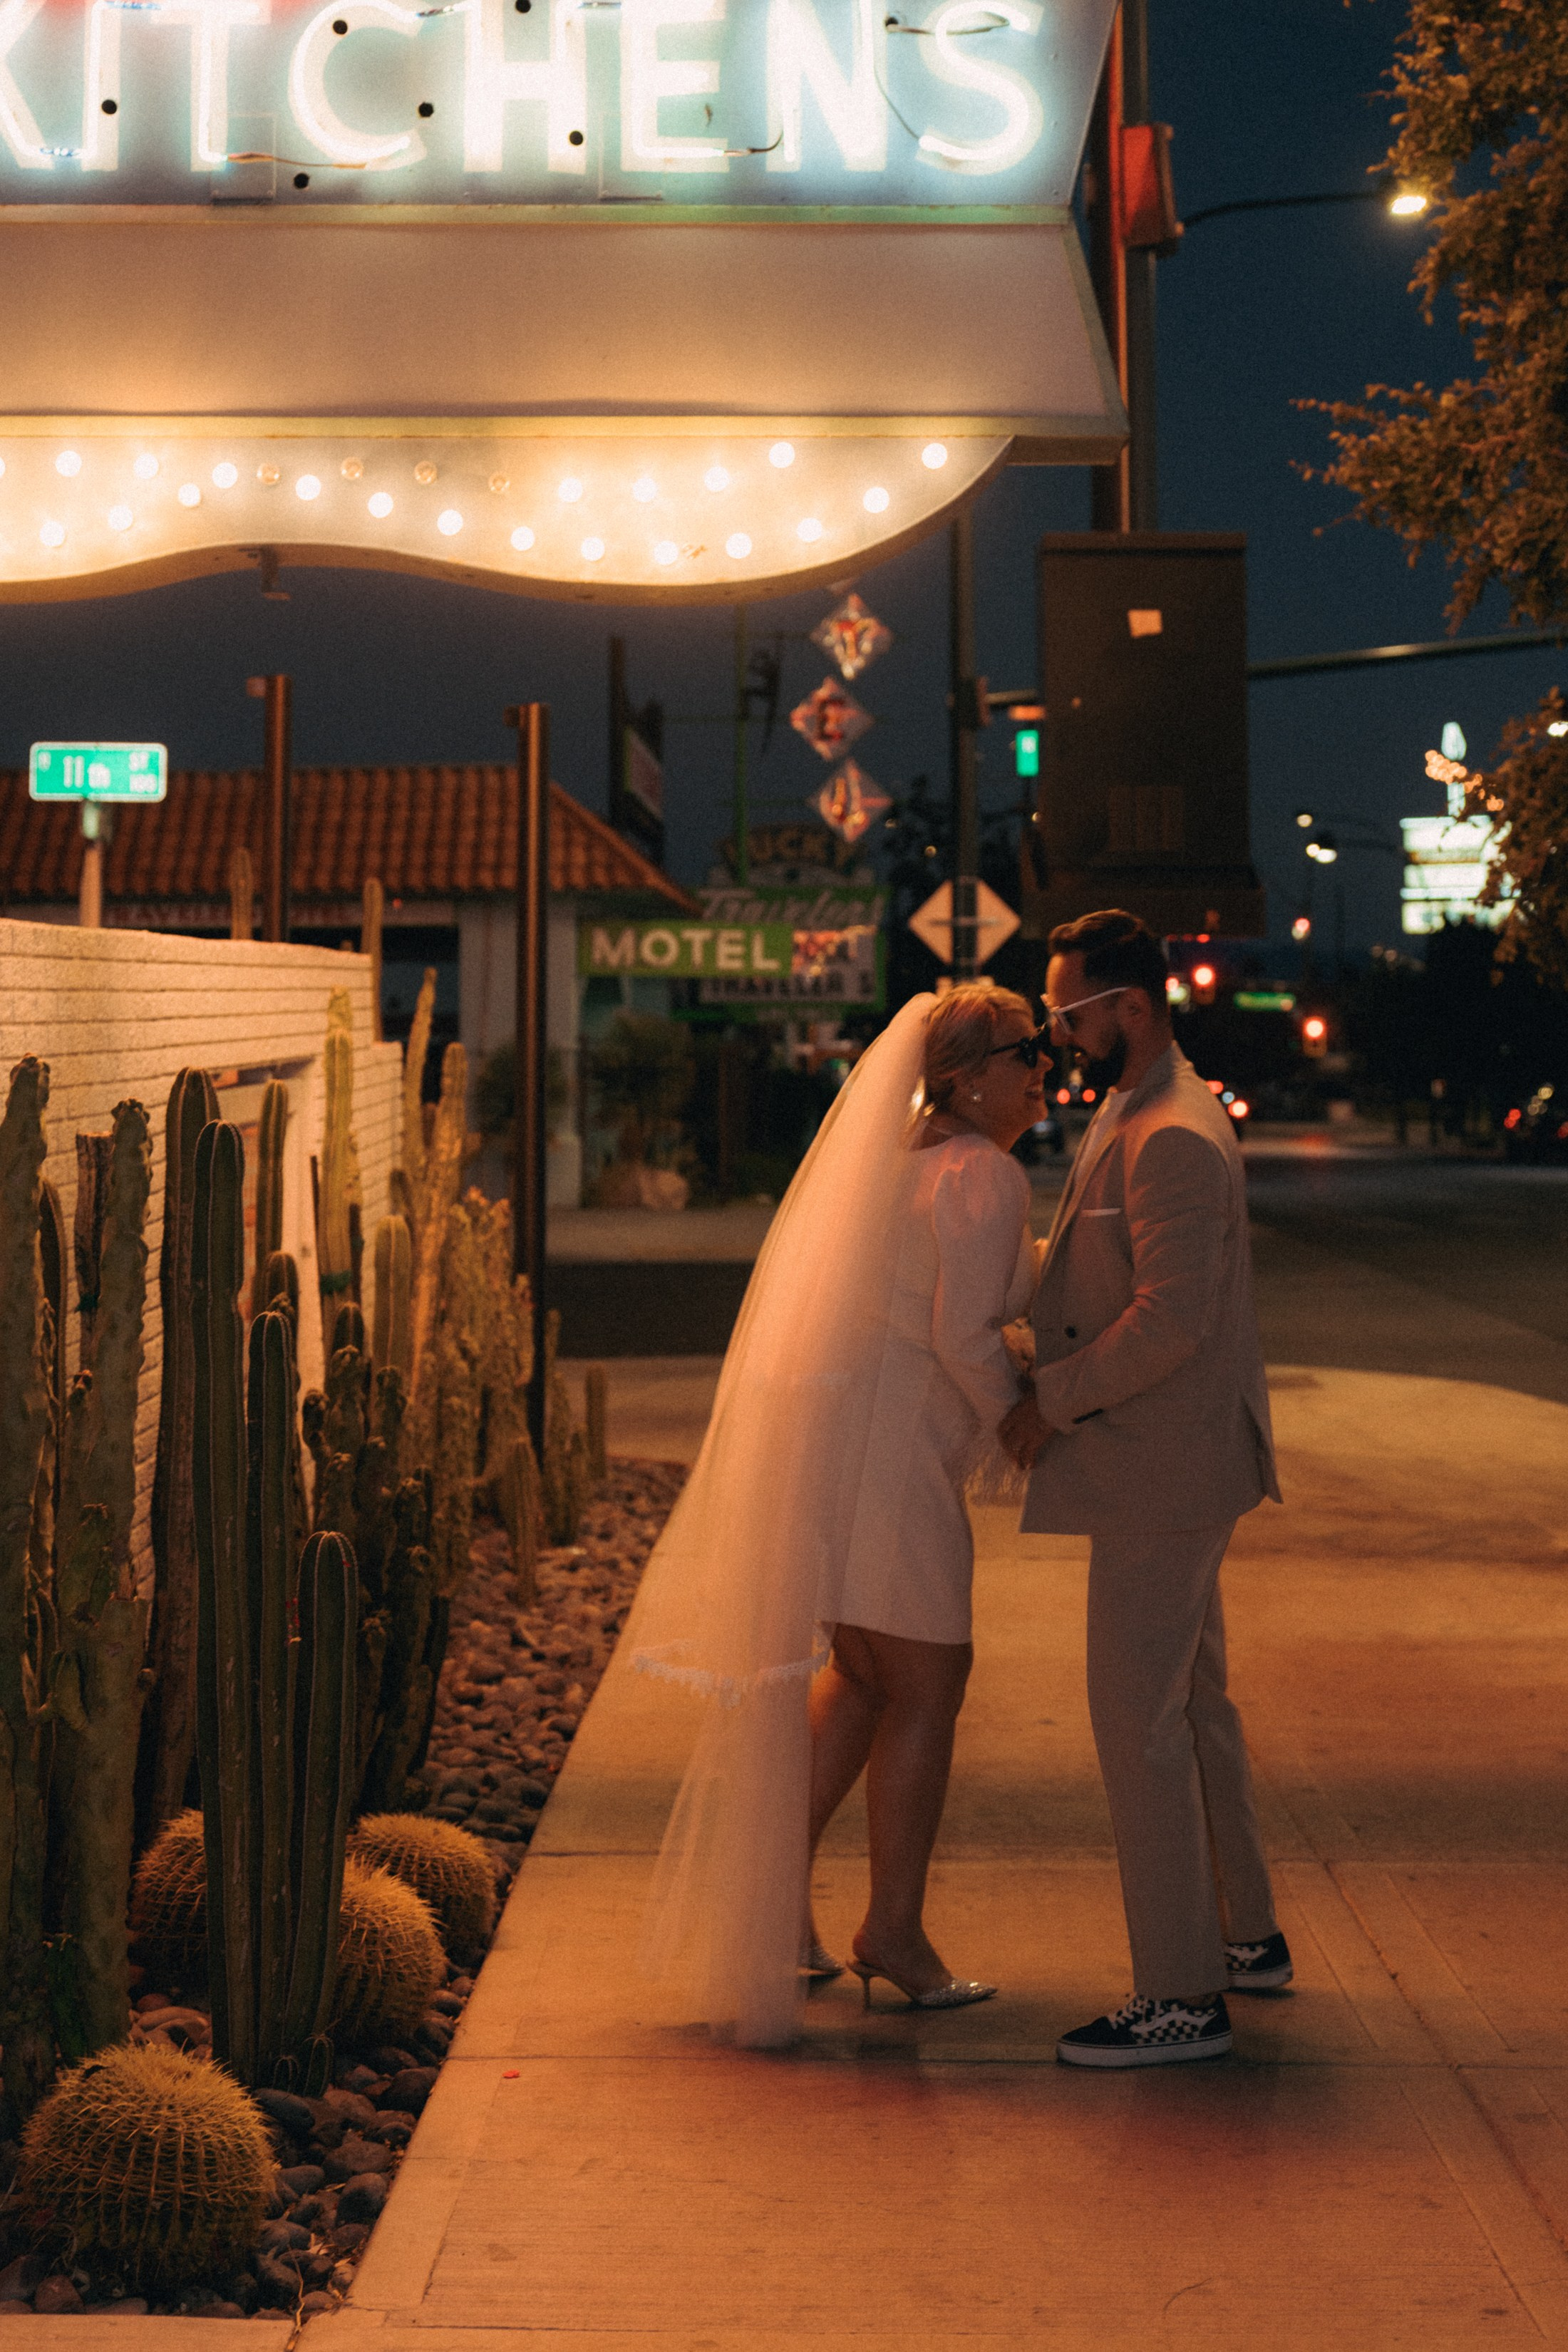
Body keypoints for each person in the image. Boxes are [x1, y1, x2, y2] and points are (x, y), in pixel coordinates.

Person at [631, 984, 1047, 2047]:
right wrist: (1026, 1424)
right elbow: (966, 1338)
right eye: (1025, 1053)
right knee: (927, 1679)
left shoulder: (901, 1170)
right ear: (963, 1077)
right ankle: (893, 1931)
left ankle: (773, 1912)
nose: (1043, 1070)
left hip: (846, 1445)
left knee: (864, 1678)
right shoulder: (983, 1173)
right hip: (897, 1455)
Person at [1001, 909, 1289, 2070]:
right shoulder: (1142, 1105)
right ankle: (1246, 1938)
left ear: (1131, 1006)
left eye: (1072, 1014)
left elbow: (1171, 1319)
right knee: (1194, 1703)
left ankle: (1180, 1998)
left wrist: (1051, 1399)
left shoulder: (1170, 1131)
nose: (1059, 1035)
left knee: (1138, 1724)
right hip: (1185, 1457)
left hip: (1163, 1464)